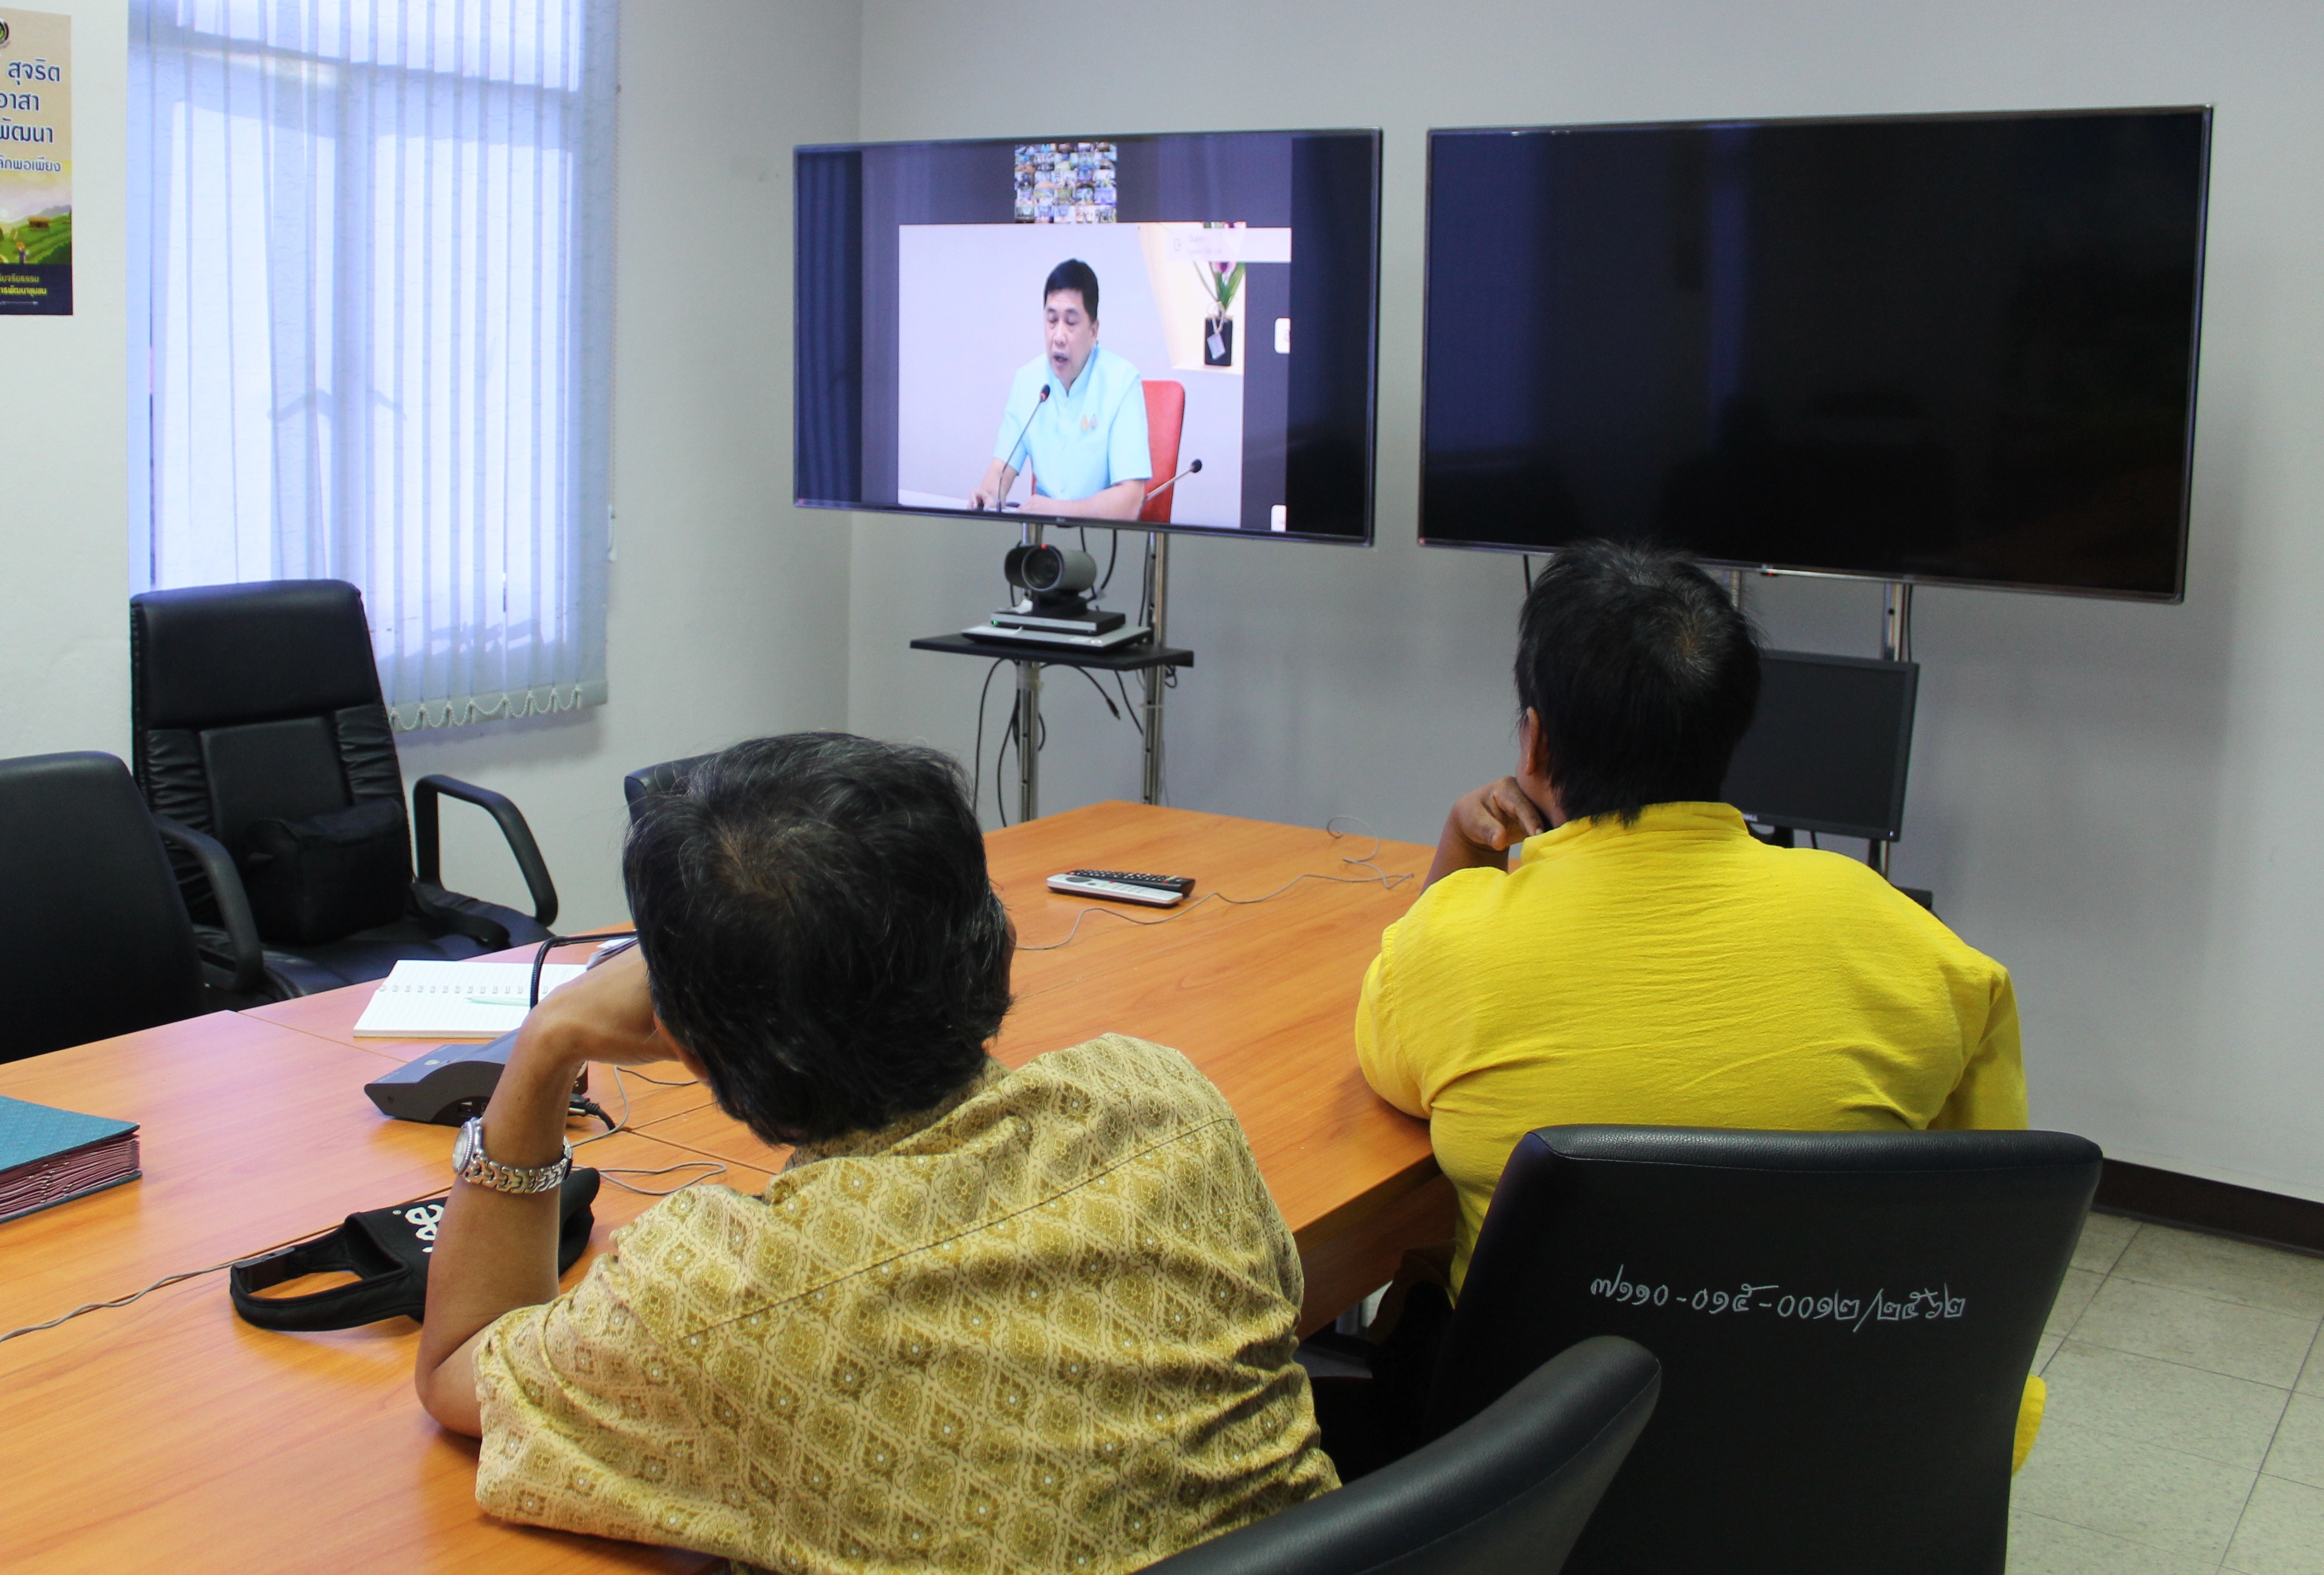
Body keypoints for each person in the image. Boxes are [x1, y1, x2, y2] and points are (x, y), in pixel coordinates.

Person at [413, 733, 1336, 1573]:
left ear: (687, 1043)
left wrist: (543, 1047)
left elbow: (459, 1360)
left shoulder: (713, 1297)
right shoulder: (1163, 1102)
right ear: (989, 938)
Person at [1353, 539, 2042, 1467]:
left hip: (1523, 1480)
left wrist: (1457, 848)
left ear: (1532, 742)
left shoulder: (1454, 943)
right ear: (1727, 730)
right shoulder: (1923, 954)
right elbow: (1978, 1244)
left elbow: (1388, 1061)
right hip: (1827, 1465)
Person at [971, 259, 1151, 520]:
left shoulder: (1121, 382)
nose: (1058, 336)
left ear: (1093, 330)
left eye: (1071, 322)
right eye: (1052, 320)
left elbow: (1130, 501)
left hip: (1105, 541)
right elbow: (1001, 470)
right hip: (1042, 547)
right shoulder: (1028, 381)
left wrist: (1059, 511)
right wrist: (988, 495)